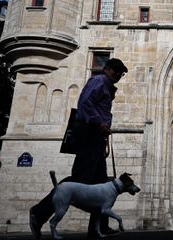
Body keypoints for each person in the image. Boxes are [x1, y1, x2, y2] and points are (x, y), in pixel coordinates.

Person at [29, 58, 129, 239]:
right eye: (115, 71)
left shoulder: (106, 86)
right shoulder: (99, 81)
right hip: (89, 132)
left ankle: (99, 228)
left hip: (96, 135)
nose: (118, 75)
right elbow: (85, 104)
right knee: (79, 177)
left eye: (120, 73)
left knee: (100, 181)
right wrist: (100, 124)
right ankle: (39, 213)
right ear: (106, 69)